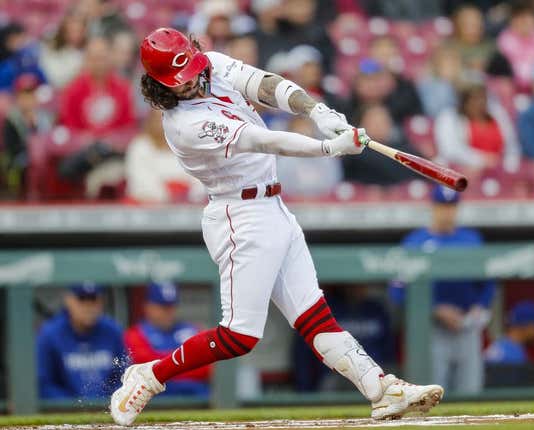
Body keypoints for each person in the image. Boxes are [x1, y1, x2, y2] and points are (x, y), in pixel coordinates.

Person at [109, 27, 443, 426]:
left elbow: (267, 85)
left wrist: (316, 111)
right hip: (240, 216)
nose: (195, 80)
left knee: (314, 314)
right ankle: (149, 374)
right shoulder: (184, 125)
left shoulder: (212, 65)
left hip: (274, 207)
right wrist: (327, 148)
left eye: (194, 68)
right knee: (240, 336)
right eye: (181, 81)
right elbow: (262, 140)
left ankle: (381, 390)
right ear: (160, 85)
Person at [389, 186, 495, 395]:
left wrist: (479, 307)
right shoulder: (415, 242)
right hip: (430, 330)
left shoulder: (471, 240)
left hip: (467, 327)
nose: (447, 212)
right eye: (442, 206)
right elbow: (397, 291)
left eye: (452, 207)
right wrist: (434, 309)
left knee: (471, 392)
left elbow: (488, 284)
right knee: (431, 394)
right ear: (433, 207)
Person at [37, 282, 126, 399]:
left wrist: (111, 402)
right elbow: (43, 384)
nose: (88, 306)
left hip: (108, 410)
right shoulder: (50, 334)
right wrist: (75, 405)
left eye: (93, 299)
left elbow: (124, 377)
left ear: (101, 301)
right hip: (66, 412)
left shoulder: (112, 331)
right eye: (82, 299)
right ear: (68, 300)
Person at [124, 282, 210, 397]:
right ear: (147, 306)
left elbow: (206, 367)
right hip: (155, 402)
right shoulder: (135, 334)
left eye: (171, 306)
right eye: (162, 306)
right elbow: (147, 369)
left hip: (197, 399)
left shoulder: (193, 330)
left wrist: (164, 364)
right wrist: (188, 361)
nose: (168, 312)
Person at [125, 109, 205, 203]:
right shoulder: (140, 146)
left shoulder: (191, 146)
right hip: (148, 206)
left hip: (188, 206)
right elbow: (140, 181)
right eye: (158, 120)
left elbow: (202, 178)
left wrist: (189, 192)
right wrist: (168, 193)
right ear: (150, 122)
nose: (162, 124)